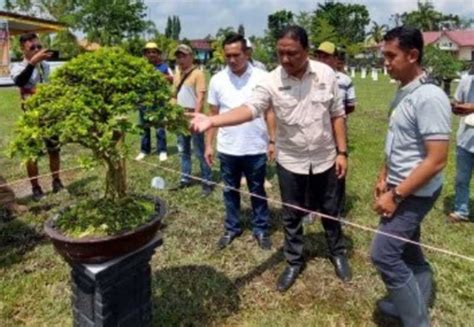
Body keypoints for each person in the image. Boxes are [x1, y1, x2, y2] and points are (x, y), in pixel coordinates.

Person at [190, 25, 352, 292]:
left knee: (330, 210)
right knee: (291, 214)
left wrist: (342, 152)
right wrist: (213, 120)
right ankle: (294, 261)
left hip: (325, 157)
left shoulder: (326, 74)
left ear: (307, 51)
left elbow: (337, 115)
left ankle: (337, 252)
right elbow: (250, 108)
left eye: (293, 54)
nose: (286, 60)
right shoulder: (271, 81)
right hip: (290, 160)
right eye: (280, 54)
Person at [371, 26, 451, 326]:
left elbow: (437, 160)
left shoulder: (429, 97)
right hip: (400, 185)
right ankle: (417, 297)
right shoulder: (405, 91)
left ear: (413, 55)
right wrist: (384, 175)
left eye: (391, 56)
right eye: (384, 56)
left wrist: (396, 194)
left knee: (385, 254)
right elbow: (398, 142)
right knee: (408, 249)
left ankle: (416, 320)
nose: (386, 62)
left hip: (414, 192)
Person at [206, 33, 274, 250]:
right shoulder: (217, 80)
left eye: (236, 55)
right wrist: (209, 144)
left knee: (257, 190)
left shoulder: (263, 77)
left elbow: (270, 112)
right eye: (228, 56)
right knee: (230, 190)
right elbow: (213, 115)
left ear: (247, 53)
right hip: (228, 147)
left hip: (255, 146)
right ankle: (232, 228)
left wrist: (273, 140)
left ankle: (261, 228)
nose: (232, 60)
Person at [10, 32, 64, 201]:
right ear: (22, 49)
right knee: (31, 153)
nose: (37, 50)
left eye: (39, 47)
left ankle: (57, 181)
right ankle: (36, 187)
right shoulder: (18, 67)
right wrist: (32, 63)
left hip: (49, 115)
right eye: (32, 47)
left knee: (54, 150)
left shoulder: (46, 66)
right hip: (31, 117)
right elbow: (19, 81)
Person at [173, 44, 213, 197]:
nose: (180, 59)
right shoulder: (177, 74)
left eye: (183, 55)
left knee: (199, 150)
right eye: (178, 56)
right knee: (183, 150)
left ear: (191, 56)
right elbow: (174, 95)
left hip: (193, 116)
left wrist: (195, 118)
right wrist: (173, 113)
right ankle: (185, 178)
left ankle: (207, 181)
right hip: (179, 117)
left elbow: (200, 98)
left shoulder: (198, 74)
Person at [135, 42, 173, 162]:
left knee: (159, 128)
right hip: (143, 102)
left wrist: (162, 76)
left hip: (158, 103)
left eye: (154, 52)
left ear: (158, 54)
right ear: (145, 54)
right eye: (148, 52)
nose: (151, 54)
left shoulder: (165, 67)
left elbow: (173, 79)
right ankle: (144, 150)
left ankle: (162, 150)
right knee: (144, 128)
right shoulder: (140, 67)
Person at [448, 72, 474, 223]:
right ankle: (461, 210)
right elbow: (457, 101)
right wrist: (456, 107)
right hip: (465, 139)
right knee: (461, 179)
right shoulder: (466, 81)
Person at [315, 42, 356, 115]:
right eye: (319, 57)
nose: (321, 60)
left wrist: (336, 115)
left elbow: (350, 106)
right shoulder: (311, 78)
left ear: (335, 59)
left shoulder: (345, 80)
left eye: (325, 57)